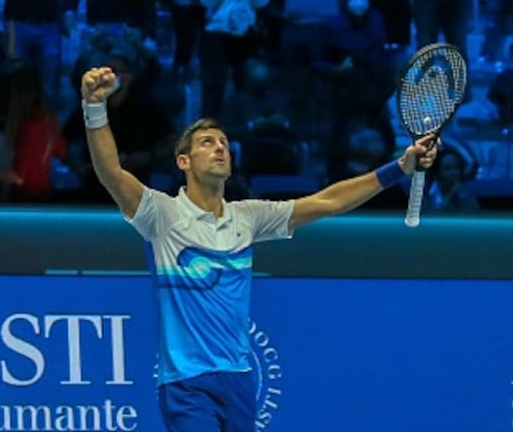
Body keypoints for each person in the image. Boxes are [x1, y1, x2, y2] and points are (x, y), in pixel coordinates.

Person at [78, 66, 438, 432]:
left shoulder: (248, 217)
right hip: (186, 383)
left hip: (239, 379)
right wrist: (95, 107)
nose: (219, 148)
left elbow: (327, 201)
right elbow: (111, 172)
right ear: (183, 162)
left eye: (223, 143)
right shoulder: (161, 214)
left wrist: (399, 168)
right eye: (206, 143)